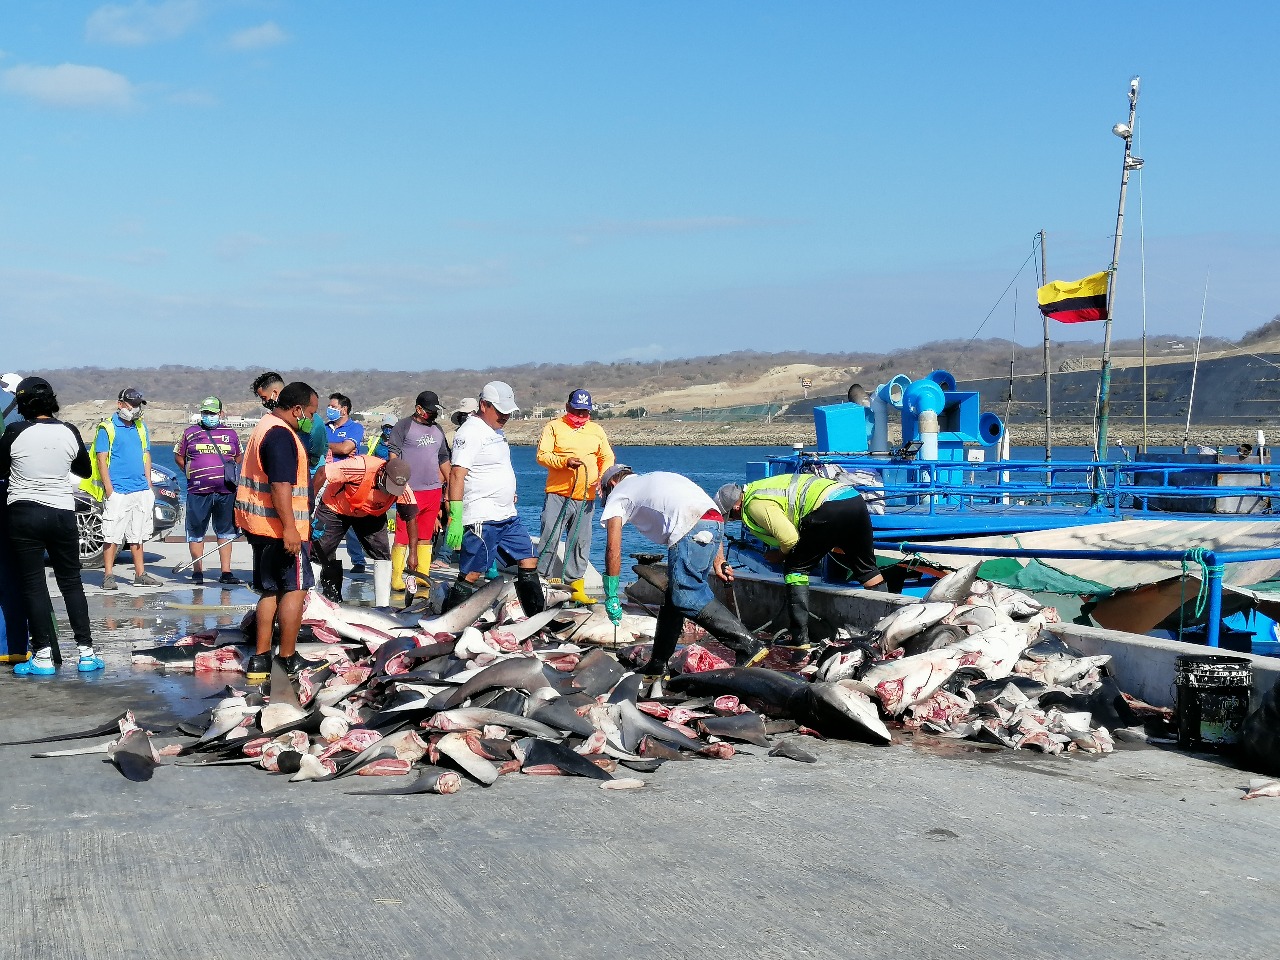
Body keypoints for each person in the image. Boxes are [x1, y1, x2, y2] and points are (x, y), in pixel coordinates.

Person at [599, 465, 762, 675]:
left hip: (690, 526)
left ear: (612, 483)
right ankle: (658, 662)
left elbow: (613, 548)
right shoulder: (655, 477)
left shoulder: (619, 493)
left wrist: (612, 592)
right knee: (673, 600)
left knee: (686, 596)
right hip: (712, 522)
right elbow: (710, 511)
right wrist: (718, 559)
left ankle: (747, 645)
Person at [0, 377, 100, 675]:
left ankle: (42, 655)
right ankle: (86, 653)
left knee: (33, 584)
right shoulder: (69, 430)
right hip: (61, 514)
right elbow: (84, 469)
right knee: (71, 582)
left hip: (24, 513)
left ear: (22, 405)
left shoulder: (15, 431)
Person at [714, 474, 885, 647]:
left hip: (829, 507)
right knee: (867, 569)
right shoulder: (759, 486)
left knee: (796, 568)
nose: (736, 520)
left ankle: (800, 639)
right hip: (852, 499)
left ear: (736, 507)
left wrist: (779, 555)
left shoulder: (754, 504)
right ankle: (883, 629)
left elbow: (790, 540)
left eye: (732, 517)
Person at [234, 381, 318, 684]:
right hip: (279, 529)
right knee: (295, 588)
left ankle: (260, 658)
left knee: (269, 590)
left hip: (259, 527)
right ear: (296, 409)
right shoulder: (281, 435)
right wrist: (291, 529)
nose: (310, 418)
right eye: (309, 413)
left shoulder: (264, 426)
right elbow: (281, 486)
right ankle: (287, 658)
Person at [443, 381, 544, 617]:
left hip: (507, 514)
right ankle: (448, 621)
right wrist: (455, 516)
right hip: (482, 515)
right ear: (484, 405)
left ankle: (537, 619)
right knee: (472, 573)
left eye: (508, 411)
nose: (505, 416)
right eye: (500, 411)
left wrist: (508, 491)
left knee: (529, 558)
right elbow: (457, 474)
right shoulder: (469, 432)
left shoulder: (497, 431)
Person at [535, 388, 614, 604]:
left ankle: (575, 586)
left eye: (585, 412)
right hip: (558, 495)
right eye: (577, 411)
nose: (580, 416)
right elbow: (543, 456)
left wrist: (604, 477)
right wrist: (564, 462)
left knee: (580, 541)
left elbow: (606, 456)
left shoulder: (596, 430)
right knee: (550, 537)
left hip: (586, 497)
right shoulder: (553, 427)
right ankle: (544, 583)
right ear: (568, 407)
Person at [311, 455, 419, 602]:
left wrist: (413, 553)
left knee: (382, 554)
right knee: (320, 552)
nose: (390, 492)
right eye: (389, 487)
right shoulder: (359, 467)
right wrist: (308, 506)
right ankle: (307, 598)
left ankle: (383, 606)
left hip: (370, 514)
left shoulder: (403, 488)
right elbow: (322, 472)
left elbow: (411, 518)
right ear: (382, 473)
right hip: (336, 507)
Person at [87, 387, 162, 590]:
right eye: (132, 405)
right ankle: (108, 575)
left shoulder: (140, 427)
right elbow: (101, 460)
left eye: (138, 405)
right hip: (118, 490)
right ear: (120, 404)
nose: (135, 409)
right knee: (111, 534)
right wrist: (110, 489)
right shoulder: (107, 428)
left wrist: (148, 484)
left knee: (137, 534)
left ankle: (140, 573)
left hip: (140, 489)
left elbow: (146, 455)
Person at [174, 396, 242, 585]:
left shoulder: (231, 433)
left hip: (226, 491)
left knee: (226, 531)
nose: (209, 416)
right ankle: (197, 571)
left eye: (212, 413)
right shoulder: (190, 433)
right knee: (196, 531)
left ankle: (226, 572)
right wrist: (190, 472)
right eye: (205, 413)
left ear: (220, 413)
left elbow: (238, 456)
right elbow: (178, 456)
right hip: (198, 491)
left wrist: (226, 471)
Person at [386, 390, 451, 591]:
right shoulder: (403, 426)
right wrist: (399, 484)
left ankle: (423, 576)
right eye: (430, 411)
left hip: (433, 491)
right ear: (419, 409)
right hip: (409, 490)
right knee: (403, 535)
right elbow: (393, 456)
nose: (434, 415)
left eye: (436, 411)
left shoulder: (438, 429)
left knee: (425, 535)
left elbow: (443, 459)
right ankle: (397, 577)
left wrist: (450, 484)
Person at [325, 393, 368, 573]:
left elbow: (346, 448)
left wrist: (325, 445)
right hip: (326, 478)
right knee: (325, 523)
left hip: (348, 481)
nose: (330, 409)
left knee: (350, 523)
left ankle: (358, 560)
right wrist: (336, 446)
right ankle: (327, 559)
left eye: (333, 406)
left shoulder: (355, 428)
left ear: (344, 409)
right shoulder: (324, 427)